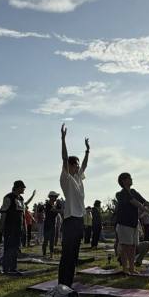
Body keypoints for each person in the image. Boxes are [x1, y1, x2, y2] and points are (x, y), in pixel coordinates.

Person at [58, 123, 89, 288]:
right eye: (75, 164)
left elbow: (84, 165)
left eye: (77, 165)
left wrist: (87, 151)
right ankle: (62, 283)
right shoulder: (66, 178)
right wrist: (63, 139)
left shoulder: (77, 178)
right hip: (70, 220)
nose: (78, 167)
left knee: (74, 254)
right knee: (67, 254)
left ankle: (69, 282)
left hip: (79, 220)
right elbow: (64, 158)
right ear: (69, 166)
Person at [115, 172, 149, 274]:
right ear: (124, 181)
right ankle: (125, 269)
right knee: (126, 247)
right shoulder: (121, 194)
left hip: (134, 223)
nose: (131, 179)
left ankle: (132, 268)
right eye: (129, 178)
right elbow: (138, 204)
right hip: (124, 224)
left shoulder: (134, 191)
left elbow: (145, 202)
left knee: (133, 246)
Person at [0, 180, 27, 274]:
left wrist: (24, 226)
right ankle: (6, 268)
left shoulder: (21, 199)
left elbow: (22, 214)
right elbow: (4, 212)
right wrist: (1, 226)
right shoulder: (8, 197)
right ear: (18, 187)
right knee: (8, 248)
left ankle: (13, 267)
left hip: (18, 227)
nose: (24, 189)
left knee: (16, 248)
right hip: (9, 226)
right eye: (23, 187)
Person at [42, 192, 61, 258]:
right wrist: (58, 209)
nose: (56, 198)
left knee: (52, 240)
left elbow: (56, 212)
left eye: (56, 197)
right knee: (46, 240)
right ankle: (44, 254)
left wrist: (58, 208)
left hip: (53, 224)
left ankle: (51, 255)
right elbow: (53, 213)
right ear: (51, 197)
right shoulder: (47, 205)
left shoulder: (54, 205)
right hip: (48, 224)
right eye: (55, 197)